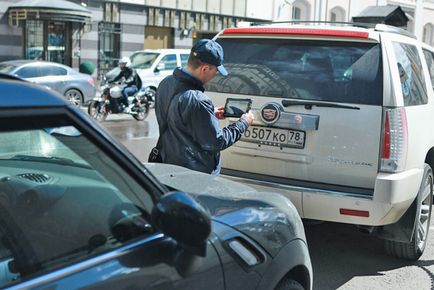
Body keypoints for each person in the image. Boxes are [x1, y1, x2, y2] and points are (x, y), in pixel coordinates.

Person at [154, 39, 254, 175]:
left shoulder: (165, 83)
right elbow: (216, 142)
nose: (215, 75)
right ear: (205, 69)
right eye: (216, 70)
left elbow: (174, 117)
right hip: (195, 175)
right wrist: (243, 123)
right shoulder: (198, 100)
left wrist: (209, 113)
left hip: (169, 165)